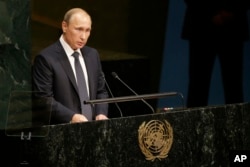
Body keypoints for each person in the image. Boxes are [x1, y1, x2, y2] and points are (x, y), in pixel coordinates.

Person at [32, 8, 109, 124]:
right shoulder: (46, 58)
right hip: (63, 131)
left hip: (93, 130)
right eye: (79, 29)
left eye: (88, 30)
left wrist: (101, 113)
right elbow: (43, 99)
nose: (83, 36)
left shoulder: (92, 55)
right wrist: (71, 117)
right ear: (64, 26)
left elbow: (101, 91)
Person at [181, 0, 250, 108]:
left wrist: (233, 12)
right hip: (201, 27)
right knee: (198, 85)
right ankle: (194, 123)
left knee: (234, 86)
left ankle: (236, 123)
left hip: (232, 28)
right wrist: (211, 13)